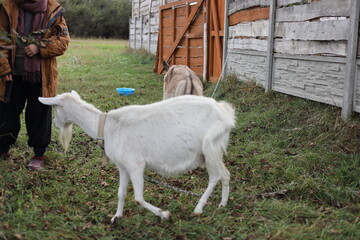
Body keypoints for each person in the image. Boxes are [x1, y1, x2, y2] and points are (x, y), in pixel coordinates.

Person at [0, 0, 70, 170]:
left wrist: (40, 47)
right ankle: (3, 149)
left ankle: (39, 153)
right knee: (6, 112)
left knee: (39, 114)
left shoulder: (54, 9)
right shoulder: (7, 6)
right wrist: (4, 69)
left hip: (41, 76)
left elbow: (63, 41)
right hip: (12, 74)